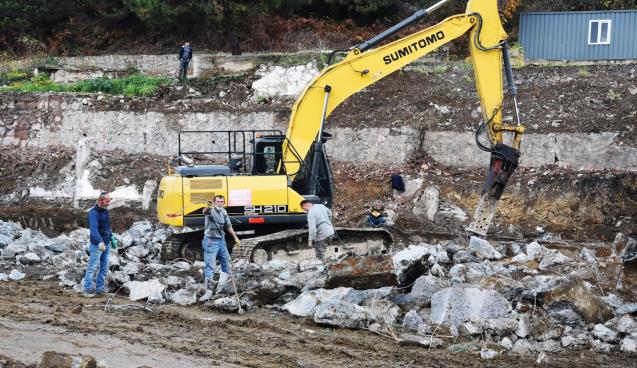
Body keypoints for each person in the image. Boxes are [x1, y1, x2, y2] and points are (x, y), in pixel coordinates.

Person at [202, 195, 240, 289]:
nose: (219, 203)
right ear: (214, 203)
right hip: (211, 240)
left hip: (221, 240)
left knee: (227, 262)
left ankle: (225, 284)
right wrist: (208, 207)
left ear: (224, 203)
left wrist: (235, 237)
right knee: (210, 264)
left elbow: (228, 226)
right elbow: (205, 211)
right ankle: (208, 287)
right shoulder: (211, 210)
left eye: (221, 201)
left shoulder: (224, 211)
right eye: (218, 202)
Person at [83, 191, 113, 296]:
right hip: (97, 245)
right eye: (107, 201)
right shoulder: (93, 213)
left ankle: (100, 288)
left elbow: (107, 226)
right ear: (100, 201)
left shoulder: (105, 211)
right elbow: (94, 230)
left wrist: (111, 237)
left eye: (109, 200)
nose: (109, 202)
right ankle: (87, 288)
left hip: (106, 243)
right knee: (92, 267)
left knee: (104, 267)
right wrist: (100, 241)